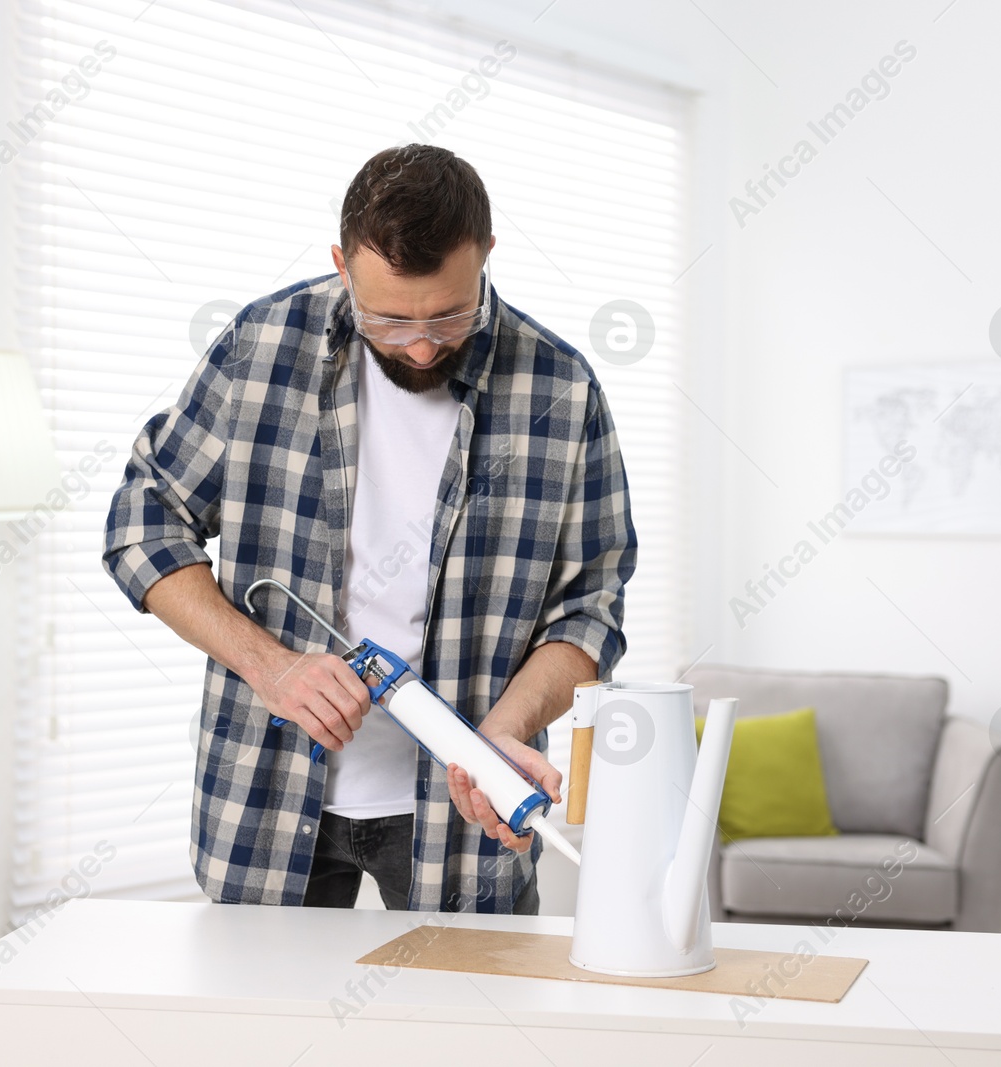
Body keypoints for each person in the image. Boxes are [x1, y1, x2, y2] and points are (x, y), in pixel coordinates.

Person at [103, 144, 635, 914]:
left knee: (457, 1033)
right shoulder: (261, 348)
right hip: (263, 790)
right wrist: (270, 666)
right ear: (340, 264)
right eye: (386, 317)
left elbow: (591, 607)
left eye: (450, 313)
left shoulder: (562, 388)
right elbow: (143, 521)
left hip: (462, 820)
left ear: (487, 255)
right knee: (263, 1028)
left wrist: (504, 731)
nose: (420, 345)